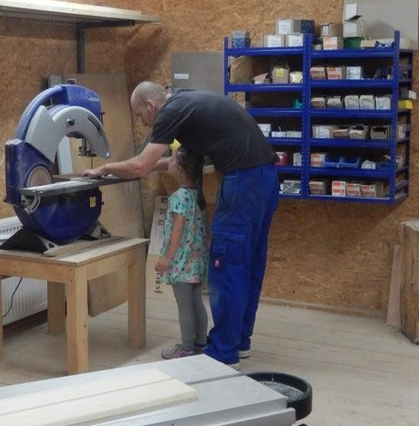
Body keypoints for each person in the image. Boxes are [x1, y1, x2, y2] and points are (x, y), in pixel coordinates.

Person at [81, 80, 279, 369]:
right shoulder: (185, 101)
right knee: (247, 265)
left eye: (140, 115)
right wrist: (136, 168)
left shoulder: (170, 111)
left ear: (151, 105)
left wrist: (106, 168)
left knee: (227, 266)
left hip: (243, 184)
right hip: (264, 178)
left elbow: (141, 165)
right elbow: (167, 163)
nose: (142, 123)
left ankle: (224, 353)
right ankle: (239, 341)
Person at [155, 147, 209, 359]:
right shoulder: (197, 193)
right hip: (197, 261)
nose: (167, 162)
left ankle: (186, 349)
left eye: (171, 159)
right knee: (196, 302)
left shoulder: (178, 196)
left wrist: (167, 257)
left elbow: (178, 228)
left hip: (181, 262)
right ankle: (200, 343)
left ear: (179, 169)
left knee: (184, 307)